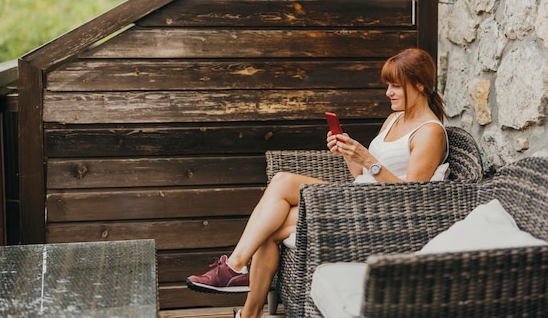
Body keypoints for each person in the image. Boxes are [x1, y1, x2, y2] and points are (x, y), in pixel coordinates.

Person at [185, 47, 449, 318]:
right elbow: (362, 177)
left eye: (396, 86)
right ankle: (241, 286)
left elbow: (414, 198)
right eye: (388, 85)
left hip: (377, 217)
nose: (388, 92)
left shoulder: (430, 132)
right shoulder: (395, 118)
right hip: (358, 198)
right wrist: (349, 154)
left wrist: (367, 158)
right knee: (280, 188)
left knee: (270, 221)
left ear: (419, 84)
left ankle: (237, 278)